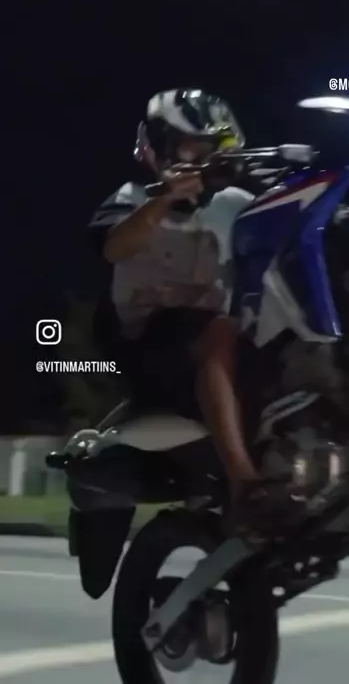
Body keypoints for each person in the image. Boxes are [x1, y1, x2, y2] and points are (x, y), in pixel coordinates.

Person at [88, 89, 287, 530]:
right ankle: (244, 482)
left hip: (217, 344)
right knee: (216, 329)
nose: (204, 160)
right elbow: (114, 247)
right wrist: (162, 199)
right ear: (159, 150)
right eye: (192, 149)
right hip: (150, 343)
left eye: (213, 150)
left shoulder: (233, 203)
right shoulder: (132, 198)